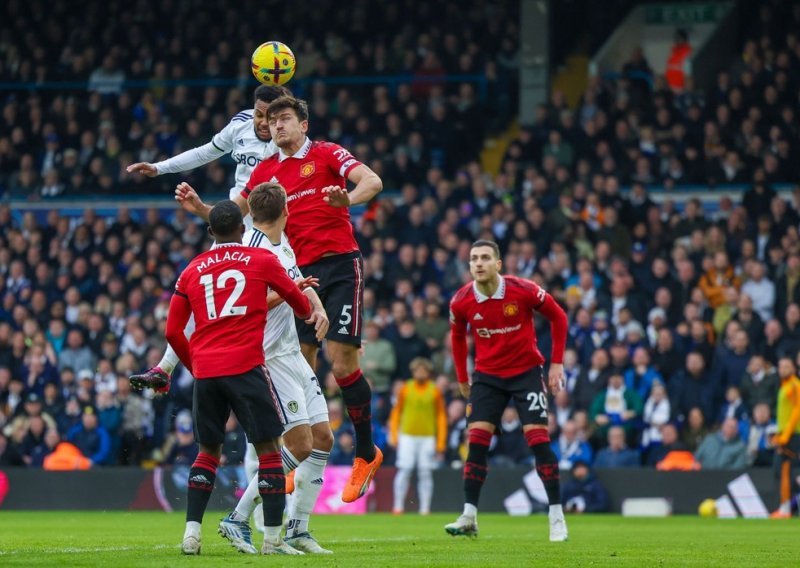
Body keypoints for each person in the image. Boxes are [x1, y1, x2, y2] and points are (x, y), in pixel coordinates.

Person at [177, 95, 384, 502]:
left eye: (285, 119)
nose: (278, 127)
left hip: (339, 264)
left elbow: (372, 181)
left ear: (303, 124)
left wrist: (349, 199)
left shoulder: (326, 153)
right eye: (272, 122)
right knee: (299, 368)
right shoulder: (267, 172)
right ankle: (299, 459)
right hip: (295, 275)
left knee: (342, 364)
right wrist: (202, 209)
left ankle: (365, 452)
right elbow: (233, 218)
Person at [156, 200, 319, 555]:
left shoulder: (192, 269)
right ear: (242, 230)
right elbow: (297, 299)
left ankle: (191, 535)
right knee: (270, 453)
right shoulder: (261, 260)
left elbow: (172, 331)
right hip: (247, 368)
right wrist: (307, 308)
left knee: (207, 453)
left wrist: (194, 365)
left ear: (211, 231)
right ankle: (273, 540)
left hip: (208, 373)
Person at [128, 84, 288, 391]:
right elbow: (205, 152)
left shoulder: (287, 141)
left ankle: (261, 370)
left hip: (268, 226)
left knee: (262, 299)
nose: (263, 123)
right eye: (258, 114)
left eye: (270, 117)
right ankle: (165, 367)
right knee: (206, 292)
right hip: (234, 223)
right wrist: (160, 168)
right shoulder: (240, 124)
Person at [217, 182, 334, 555]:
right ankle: (237, 517)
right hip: (268, 357)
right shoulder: (251, 249)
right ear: (287, 210)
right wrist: (290, 292)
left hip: (292, 352)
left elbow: (298, 278)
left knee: (324, 438)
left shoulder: (283, 243)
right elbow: (248, 304)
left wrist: (316, 305)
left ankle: (299, 528)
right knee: (299, 445)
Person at [444, 240, 569, 542]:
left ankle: (556, 515)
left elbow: (559, 317)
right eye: (474, 258)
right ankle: (469, 515)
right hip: (487, 377)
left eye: (486, 258)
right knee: (476, 441)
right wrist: (462, 377)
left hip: (526, 373)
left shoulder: (522, 290)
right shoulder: (461, 301)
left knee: (538, 441)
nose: (479, 263)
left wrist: (557, 364)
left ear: (498, 264)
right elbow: (458, 337)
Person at [389, 357, 447, 515]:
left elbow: (441, 416)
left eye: (424, 370)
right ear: (413, 372)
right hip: (407, 435)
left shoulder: (434, 390)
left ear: (428, 372)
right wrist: (394, 435)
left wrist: (440, 442)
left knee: (425, 471)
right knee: (405, 469)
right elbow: (396, 413)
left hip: (428, 437)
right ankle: (398, 506)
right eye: (418, 370)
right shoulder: (406, 388)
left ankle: (425, 508)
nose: (420, 373)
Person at [771, 357, 800, 518]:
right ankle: (785, 507)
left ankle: (786, 509)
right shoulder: (785, 386)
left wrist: (785, 435)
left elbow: (797, 411)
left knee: (788, 471)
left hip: (793, 435)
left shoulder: (794, 385)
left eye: (786, 366)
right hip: (785, 434)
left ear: (793, 368)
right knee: (784, 471)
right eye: (780, 366)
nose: (782, 369)